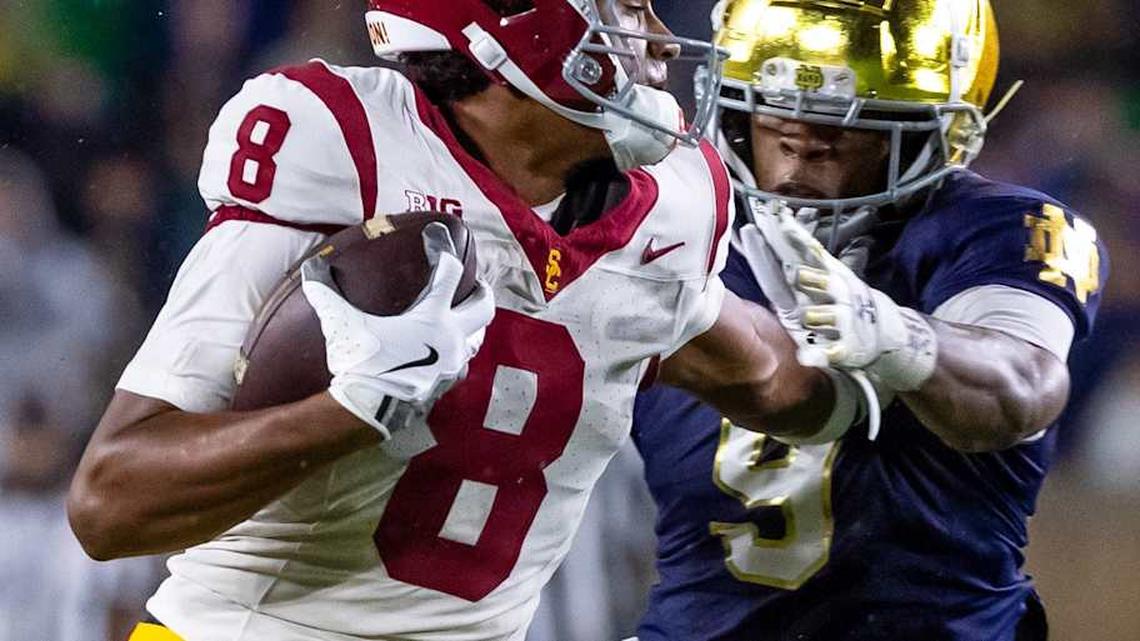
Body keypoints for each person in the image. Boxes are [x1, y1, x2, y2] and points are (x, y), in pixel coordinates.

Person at [67, 2, 869, 640]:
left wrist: (894, 355)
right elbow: (111, 503)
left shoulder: (674, 211)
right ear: (520, 24)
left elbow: (770, 374)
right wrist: (349, 411)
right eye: (629, 10)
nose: (660, 41)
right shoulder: (346, 150)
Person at [632, 1, 1109, 640]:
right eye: (773, 113)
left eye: (844, 124)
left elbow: (1019, 390)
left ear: (935, 131)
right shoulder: (669, 224)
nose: (800, 146)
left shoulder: (998, 230)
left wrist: (898, 339)